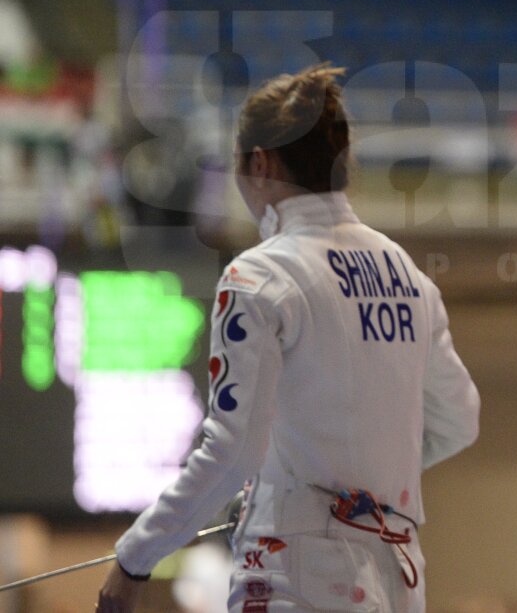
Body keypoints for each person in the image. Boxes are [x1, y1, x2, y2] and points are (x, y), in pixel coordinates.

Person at [97, 64, 481, 613]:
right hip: (399, 572)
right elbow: (460, 419)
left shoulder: (259, 276)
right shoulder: (407, 275)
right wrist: (358, 492)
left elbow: (231, 452)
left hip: (296, 571)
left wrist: (135, 557)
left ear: (259, 163)